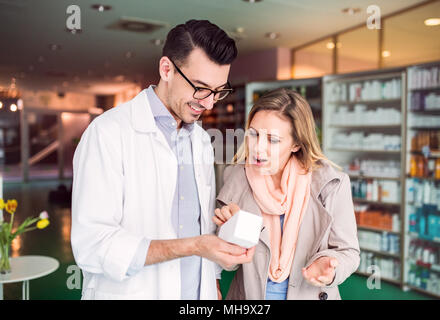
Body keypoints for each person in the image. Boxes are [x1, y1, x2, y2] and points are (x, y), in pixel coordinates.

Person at [71, 19, 254, 300]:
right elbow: (92, 245)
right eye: (201, 88)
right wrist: (192, 246)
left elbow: (202, 223)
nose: (208, 103)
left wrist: (214, 280)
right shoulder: (108, 133)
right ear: (166, 69)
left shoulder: (202, 141)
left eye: (218, 91)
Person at [214, 88, 360, 300]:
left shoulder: (331, 184)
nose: (258, 148)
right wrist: (234, 231)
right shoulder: (235, 179)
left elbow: (349, 252)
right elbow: (229, 264)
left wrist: (329, 267)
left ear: (296, 144)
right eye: (253, 134)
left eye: (273, 140)